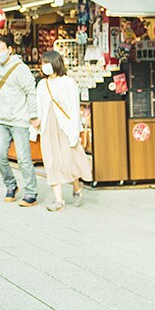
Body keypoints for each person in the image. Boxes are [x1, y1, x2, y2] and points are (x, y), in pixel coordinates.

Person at [36, 50, 92, 212]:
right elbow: (40, 107)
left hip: (65, 127)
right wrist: (36, 127)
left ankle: (77, 187)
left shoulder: (68, 83)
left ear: (56, 63)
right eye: (43, 63)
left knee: (69, 160)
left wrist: (75, 131)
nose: (45, 66)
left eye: (47, 63)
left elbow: (74, 108)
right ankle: (58, 200)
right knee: (51, 161)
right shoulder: (42, 84)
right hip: (48, 126)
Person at [0, 34, 40, 207]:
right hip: (1, 119)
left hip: (19, 119)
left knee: (24, 158)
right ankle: (11, 185)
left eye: (1, 50)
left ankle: (31, 192)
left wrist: (33, 115)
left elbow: (31, 92)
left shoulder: (20, 69)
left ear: (10, 50)